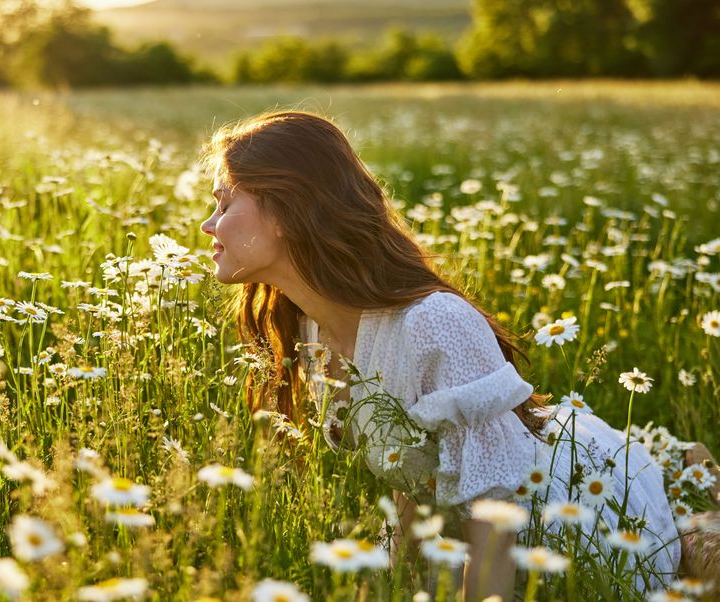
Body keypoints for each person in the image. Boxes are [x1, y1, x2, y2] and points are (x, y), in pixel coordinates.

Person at [198, 110, 714, 598]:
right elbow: (405, 465)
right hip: (456, 520)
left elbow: (498, 509)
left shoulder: (433, 323)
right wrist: (397, 575)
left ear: (287, 209)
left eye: (224, 204)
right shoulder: (307, 328)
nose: (208, 225)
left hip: (556, 516)